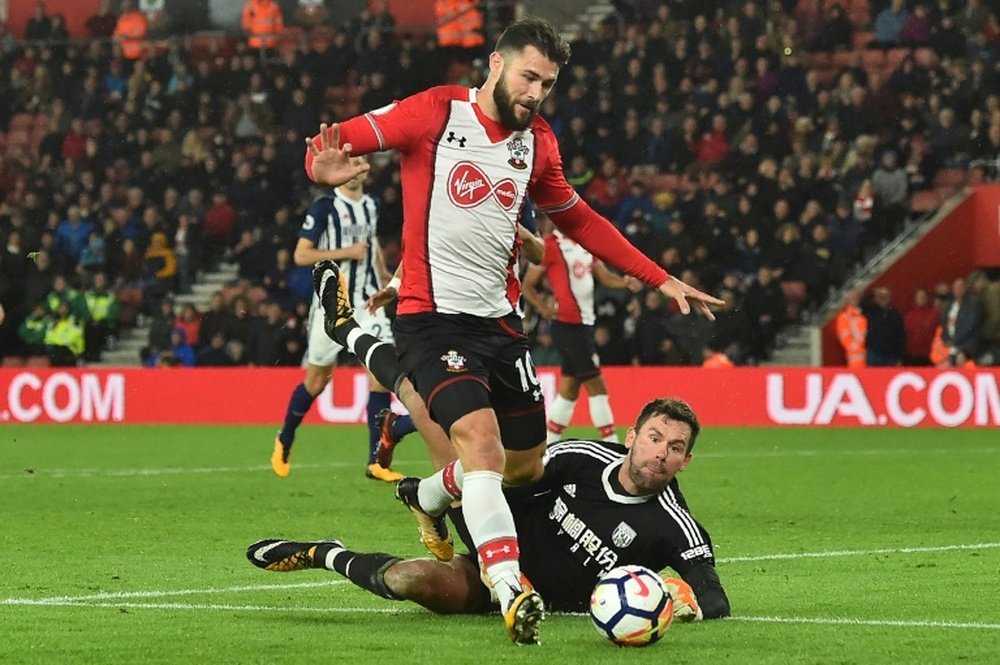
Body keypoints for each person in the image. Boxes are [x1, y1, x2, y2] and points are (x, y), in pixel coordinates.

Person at [302, 16, 723, 643]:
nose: (535, 93)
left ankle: (425, 492)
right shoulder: (435, 112)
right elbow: (333, 143)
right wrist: (320, 169)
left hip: (502, 328)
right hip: (431, 316)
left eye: (547, 84)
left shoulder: (539, 142)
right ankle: (509, 591)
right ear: (496, 65)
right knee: (479, 445)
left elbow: (578, 218)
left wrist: (658, 277)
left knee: (522, 470)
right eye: (529, 77)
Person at [247, 397, 730, 627]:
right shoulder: (582, 458)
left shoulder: (673, 523)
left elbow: (715, 597)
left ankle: (348, 541)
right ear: (631, 437)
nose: (660, 453)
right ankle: (339, 546)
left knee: (408, 581)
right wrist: (490, 549)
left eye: (675, 447)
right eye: (653, 438)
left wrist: (683, 603)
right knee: (457, 444)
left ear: (686, 460)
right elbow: (511, 485)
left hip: (534, 601)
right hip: (498, 554)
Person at [272, 158, 416, 483]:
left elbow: (373, 242)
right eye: (350, 162)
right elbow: (301, 255)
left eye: (360, 161)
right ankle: (285, 437)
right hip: (329, 304)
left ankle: (375, 461)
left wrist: (383, 278)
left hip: (366, 301)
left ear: (366, 169)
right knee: (317, 382)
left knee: (382, 375)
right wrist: (344, 253)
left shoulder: (372, 204)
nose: (356, 168)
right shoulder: (324, 206)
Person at [522, 221, 641, 444]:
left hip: (585, 324)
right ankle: (612, 444)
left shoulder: (585, 245)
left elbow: (604, 278)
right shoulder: (549, 246)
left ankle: (547, 442)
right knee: (597, 385)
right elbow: (527, 285)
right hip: (567, 325)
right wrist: (543, 308)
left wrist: (624, 282)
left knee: (570, 388)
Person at [835, 288, 867, 368]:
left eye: (857, 296)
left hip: (868, 360)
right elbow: (846, 340)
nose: (855, 299)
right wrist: (861, 351)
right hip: (855, 361)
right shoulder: (844, 317)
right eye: (852, 297)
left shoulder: (863, 317)